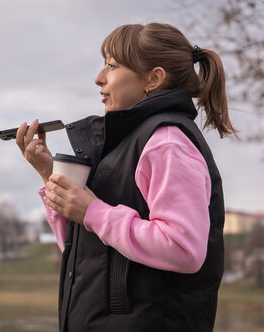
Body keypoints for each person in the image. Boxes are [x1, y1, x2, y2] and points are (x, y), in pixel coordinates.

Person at [15, 22, 236, 332]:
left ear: (153, 79)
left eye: (112, 65)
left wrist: (93, 211)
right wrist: (49, 174)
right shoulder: (124, 145)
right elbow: (84, 254)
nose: (99, 78)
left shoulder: (166, 143)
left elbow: (184, 249)